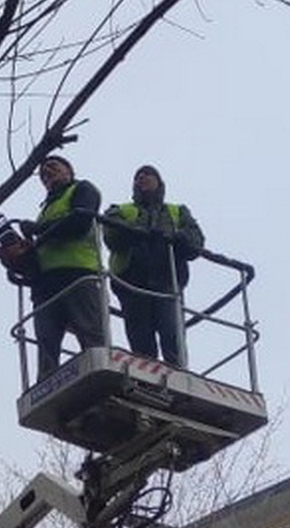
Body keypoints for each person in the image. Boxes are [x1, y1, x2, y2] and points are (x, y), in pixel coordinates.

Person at [102, 165, 204, 366]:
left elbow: (196, 242)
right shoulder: (119, 210)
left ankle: (178, 375)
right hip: (132, 284)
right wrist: (141, 230)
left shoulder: (177, 211)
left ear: (159, 182)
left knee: (172, 335)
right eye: (138, 176)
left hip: (167, 282)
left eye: (148, 174)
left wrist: (177, 237)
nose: (142, 178)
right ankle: (146, 379)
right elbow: (112, 236)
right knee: (141, 342)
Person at [15, 155, 106, 380]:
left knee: (90, 334)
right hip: (46, 283)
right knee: (46, 343)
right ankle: (46, 383)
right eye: (43, 173)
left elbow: (79, 223)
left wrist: (38, 230)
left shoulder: (83, 190)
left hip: (78, 274)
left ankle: (100, 380)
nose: (47, 172)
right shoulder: (46, 210)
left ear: (69, 170)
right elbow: (44, 248)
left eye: (53, 166)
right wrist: (21, 260)